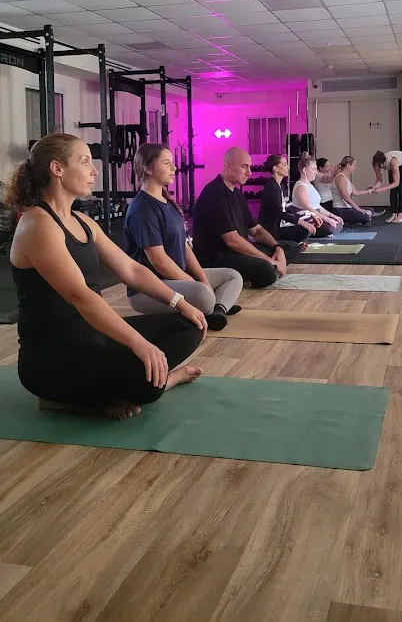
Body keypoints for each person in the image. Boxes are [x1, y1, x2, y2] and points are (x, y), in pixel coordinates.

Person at [5, 134, 207, 420]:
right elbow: (80, 296)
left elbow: (131, 270)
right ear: (57, 169)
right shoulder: (38, 225)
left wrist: (180, 302)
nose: (94, 171)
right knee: (146, 383)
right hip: (53, 357)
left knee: (188, 326)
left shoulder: (83, 221)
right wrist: (138, 343)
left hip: (92, 337)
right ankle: (160, 381)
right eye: (85, 162)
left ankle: (118, 388)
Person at [124, 143, 243, 331]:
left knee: (233, 276)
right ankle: (214, 305)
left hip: (177, 279)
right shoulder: (143, 209)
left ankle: (217, 311)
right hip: (150, 289)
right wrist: (196, 284)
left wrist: (202, 279)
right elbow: (159, 261)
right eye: (166, 163)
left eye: (172, 162)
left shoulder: (166, 202)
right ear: (148, 168)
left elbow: (184, 247)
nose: (174, 168)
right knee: (204, 294)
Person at [192, 147, 289, 289]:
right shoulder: (214, 194)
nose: (249, 173)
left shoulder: (238, 195)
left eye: (249, 167)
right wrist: (270, 261)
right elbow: (232, 241)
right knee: (267, 270)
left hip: (235, 252)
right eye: (244, 167)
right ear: (229, 165)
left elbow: (256, 230)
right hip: (217, 257)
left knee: (287, 249)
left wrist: (277, 248)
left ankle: (262, 269)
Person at [258, 154, 317, 244]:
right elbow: (279, 212)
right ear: (275, 168)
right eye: (284, 164)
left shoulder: (281, 186)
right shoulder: (270, 187)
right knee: (304, 230)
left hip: (281, 224)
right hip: (271, 228)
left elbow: (289, 206)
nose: (288, 167)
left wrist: (308, 214)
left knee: (308, 223)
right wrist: (301, 222)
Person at [291, 154, 344, 236]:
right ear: (305, 170)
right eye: (314, 169)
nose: (316, 172)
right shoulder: (301, 187)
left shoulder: (309, 185)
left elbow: (317, 206)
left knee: (338, 223)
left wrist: (332, 216)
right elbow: (308, 208)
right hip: (307, 218)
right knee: (331, 227)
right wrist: (326, 219)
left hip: (315, 215)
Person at [372, 149, 402, 223]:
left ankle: (400, 215)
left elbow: (396, 183)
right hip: (392, 165)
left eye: (381, 166)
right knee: (393, 190)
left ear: (383, 162)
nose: (381, 168)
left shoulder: (393, 162)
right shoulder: (376, 165)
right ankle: (394, 214)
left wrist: (381, 190)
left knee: (400, 188)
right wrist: (374, 187)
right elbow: (379, 180)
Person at [331, 156, 375, 225]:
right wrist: (358, 209)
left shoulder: (345, 178)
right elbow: (346, 197)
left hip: (347, 208)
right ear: (348, 165)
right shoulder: (340, 177)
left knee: (370, 210)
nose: (355, 168)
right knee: (365, 216)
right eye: (354, 165)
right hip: (340, 209)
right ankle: (346, 221)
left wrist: (369, 191)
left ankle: (357, 218)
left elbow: (356, 192)